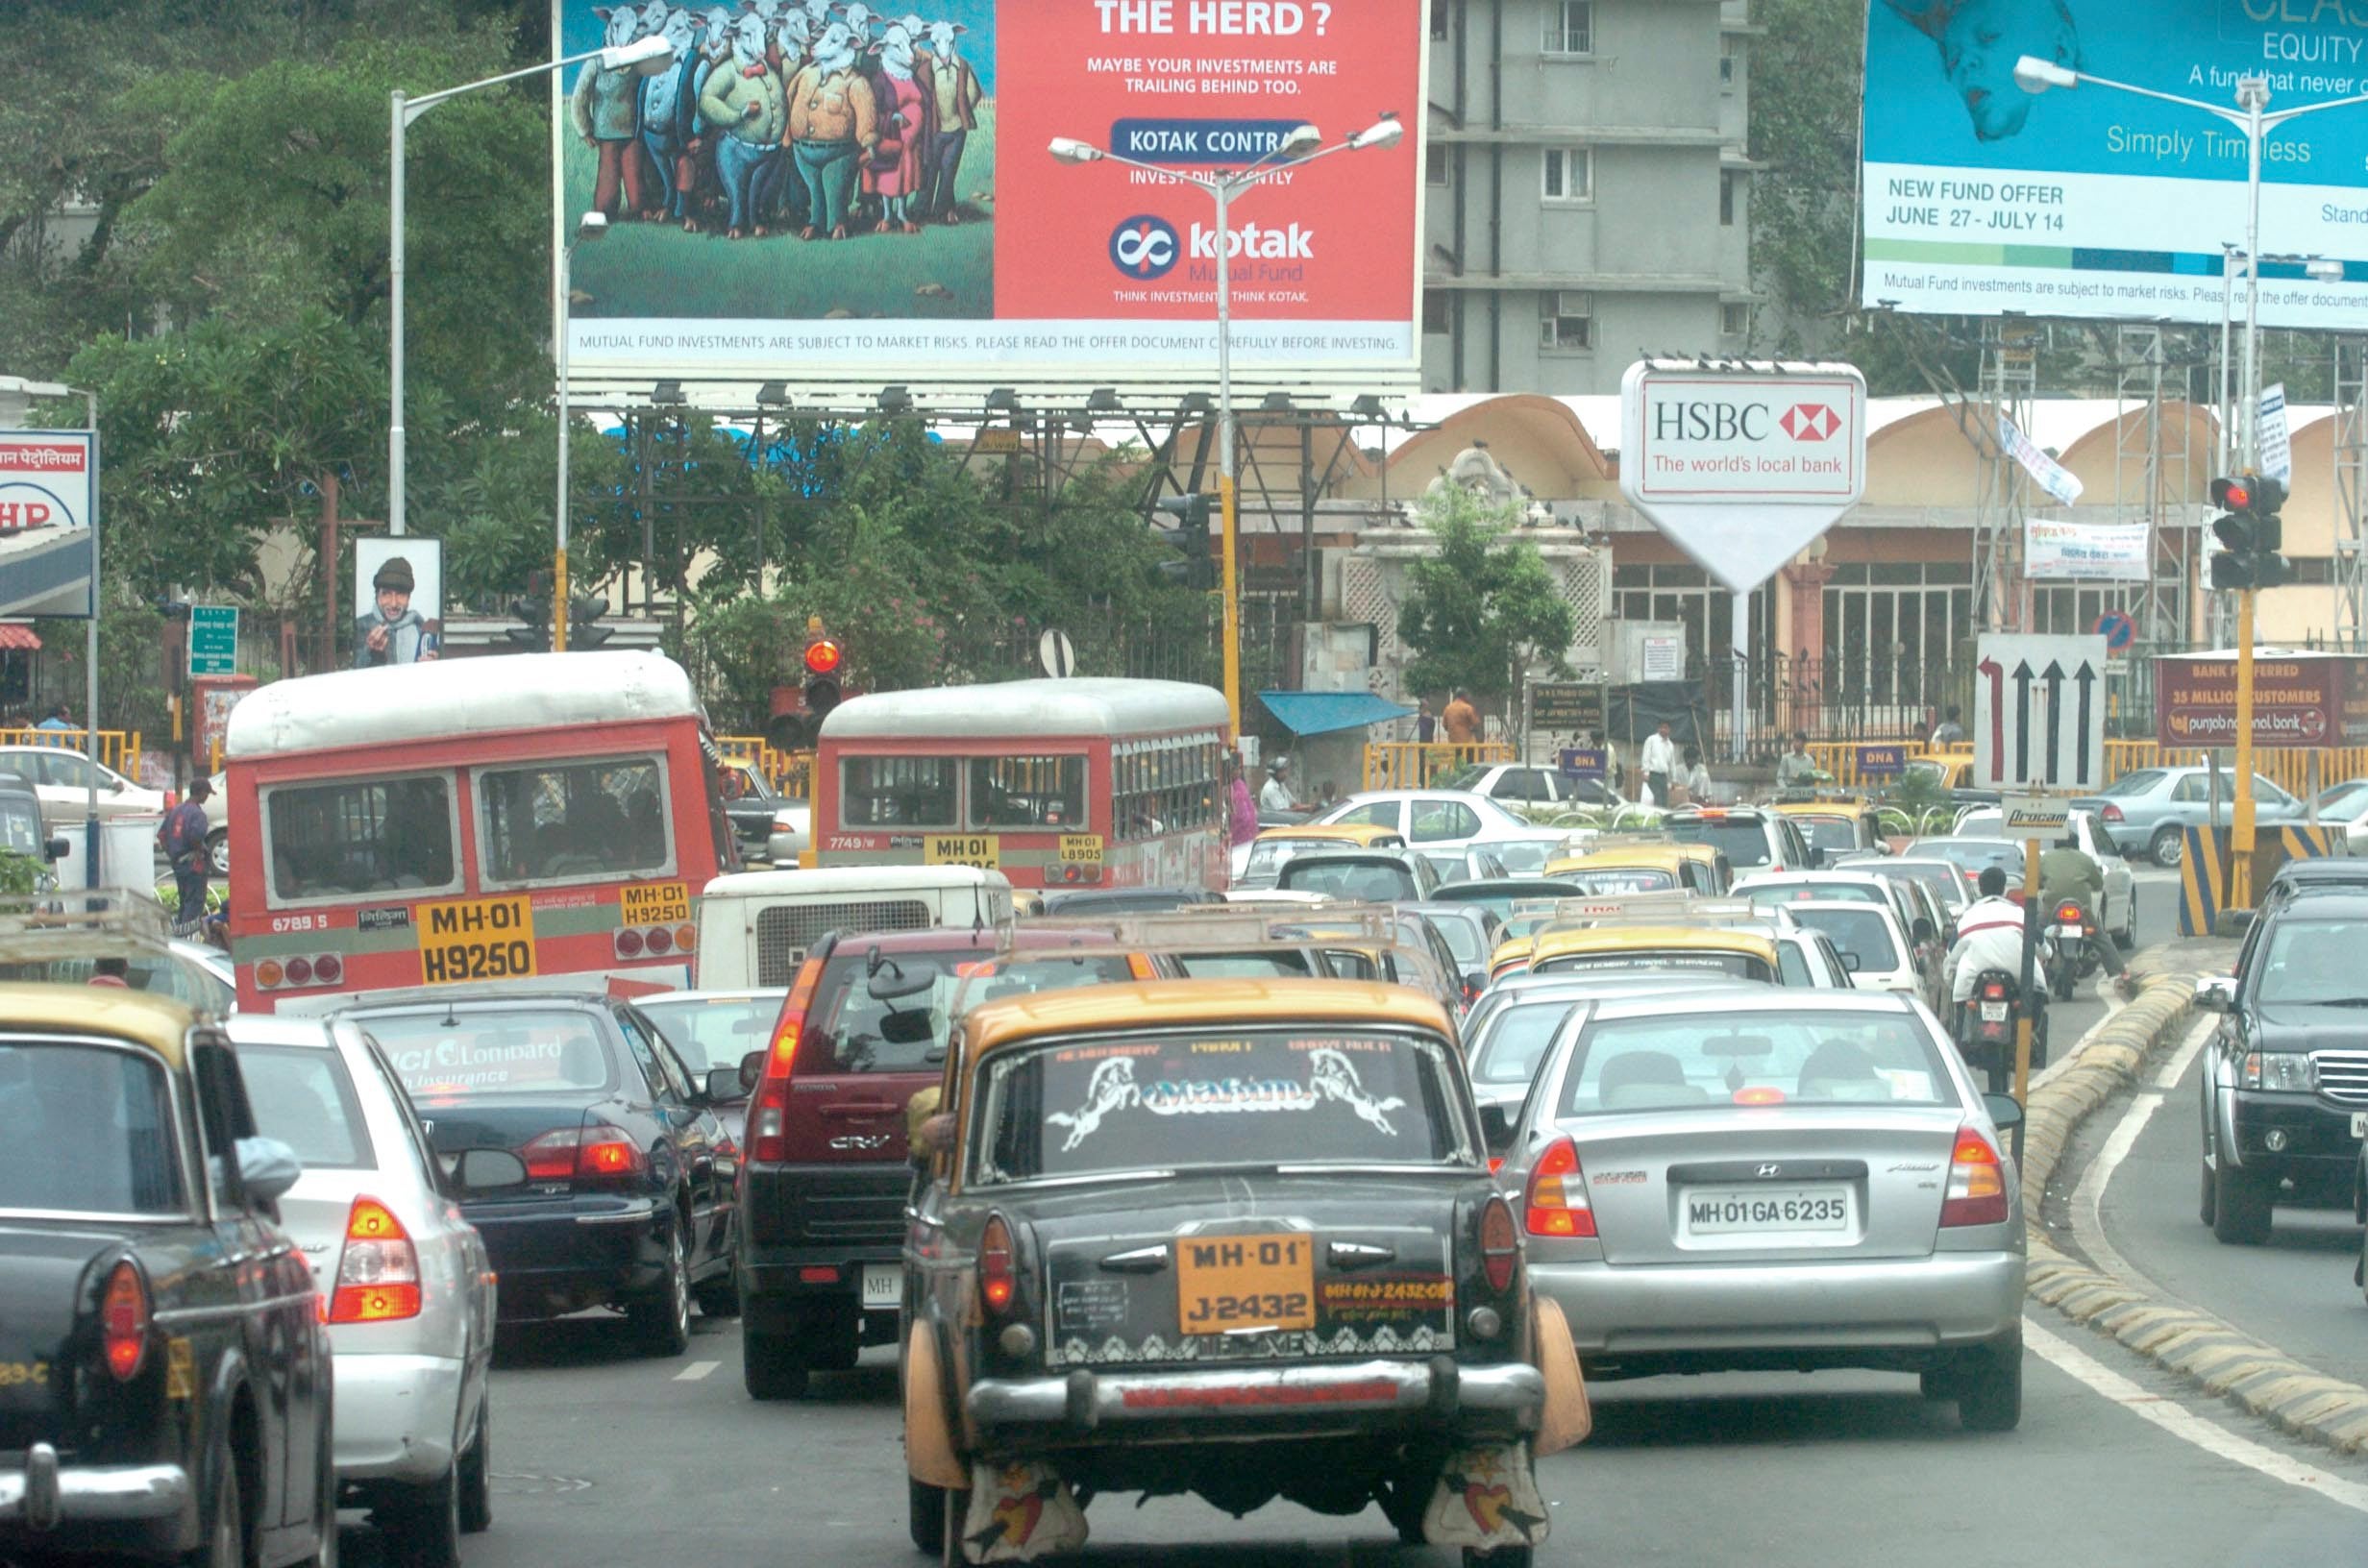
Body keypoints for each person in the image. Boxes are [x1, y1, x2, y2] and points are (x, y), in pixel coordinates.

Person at [1944, 866, 2042, 1054]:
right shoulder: (2019, 914)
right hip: (2019, 974)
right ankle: (2031, 1034)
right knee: (2037, 992)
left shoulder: (1968, 916)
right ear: (2003, 887)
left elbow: (1952, 954)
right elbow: (2042, 947)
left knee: (1961, 1003)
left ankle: (1961, 1046)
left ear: (1980, 890)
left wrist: (1950, 978)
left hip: (1973, 978)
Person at [2040, 831, 2125, 980]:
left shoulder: (2045, 858)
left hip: (2052, 908)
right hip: (2081, 910)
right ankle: (2119, 973)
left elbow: (2035, 881)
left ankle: (2035, 972)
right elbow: (2098, 884)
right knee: (2100, 937)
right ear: (2076, 844)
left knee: (2037, 932)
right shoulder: (2086, 859)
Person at [355, 556, 435, 668]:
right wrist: (370, 653)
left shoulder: (422, 631)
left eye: (401, 594)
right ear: (377, 596)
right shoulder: (359, 627)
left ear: (408, 598)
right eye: (386, 593)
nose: (393, 604)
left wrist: (434, 665)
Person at [160, 776, 212, 935]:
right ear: (202, 792)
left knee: (184, 902)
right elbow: (195, 837)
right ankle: (187, 939)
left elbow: (162, 835)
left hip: (178, 864)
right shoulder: (198, 814)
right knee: (194, 903)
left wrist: (172, 855)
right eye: (207, 793)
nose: (207, 797)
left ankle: (179, 936)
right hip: (193, 864)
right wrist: (199, 852)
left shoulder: (175, 810)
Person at [1639, 720, 1678, 807]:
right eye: (1662, 727)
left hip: (1664, 777)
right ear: (1658, 728)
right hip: (1653, 776)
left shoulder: (1670, 745)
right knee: (1657, 800)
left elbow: (1672, 763)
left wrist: (1674, 779)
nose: (1664, 730)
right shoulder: (1651, 740)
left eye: (1666, 728)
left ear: (1669, 730)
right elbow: (1646, 756)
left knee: (1664, 801)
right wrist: (1646, 772)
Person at [1222, 755, 1258, 846]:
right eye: (1235, 769)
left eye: (1239, 769)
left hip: (1244, 829)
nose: (1238, 772)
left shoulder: (1239, 785)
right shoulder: (1233, 786)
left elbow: (1242, 812)